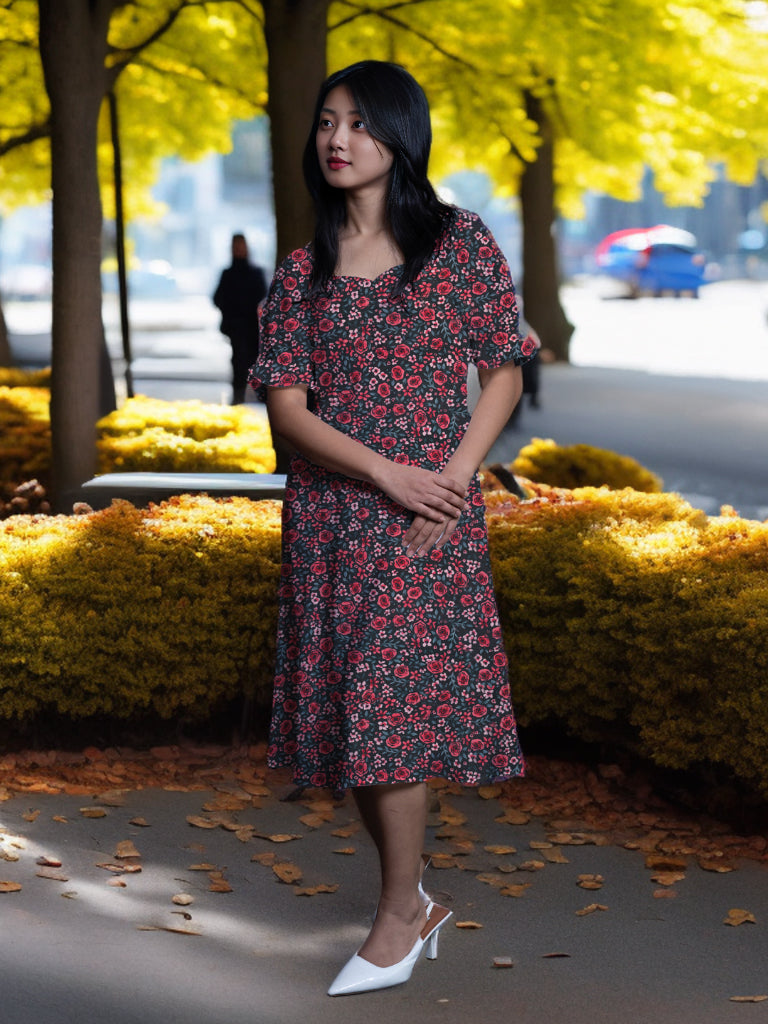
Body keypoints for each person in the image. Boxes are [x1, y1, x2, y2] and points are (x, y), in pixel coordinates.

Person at [249, 60, 538, 997]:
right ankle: (412, 901)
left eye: (362, 124)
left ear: (400, 138)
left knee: (389, 714)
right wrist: (384, 473)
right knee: (354, 718)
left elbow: (503, 368)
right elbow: (288, 415)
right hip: (336, 514)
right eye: (328, 121)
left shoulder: (459, 244)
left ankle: (396, 915)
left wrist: (449, 480)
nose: (338, 139)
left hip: (430, 518)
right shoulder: (302, 269)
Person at [213, 233, 268, 403]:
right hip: (237, 327)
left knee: (252, 362)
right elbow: (217, 298)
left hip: (252, 327)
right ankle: (239, 397)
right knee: (239, 363)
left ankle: (253, 396)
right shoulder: (228, 273)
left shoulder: (256, 273)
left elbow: (262, 297)